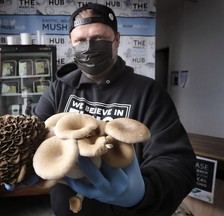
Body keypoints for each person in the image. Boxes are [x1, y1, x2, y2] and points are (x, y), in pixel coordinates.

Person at [32, 3, 196, 216]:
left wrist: (142, 193)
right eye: (80, 40)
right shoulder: (59, 90)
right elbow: (34, 137)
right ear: (71, 44)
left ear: (117, 40)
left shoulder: (148, 92)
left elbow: (178, 164)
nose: (89, 46)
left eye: (99, 38)